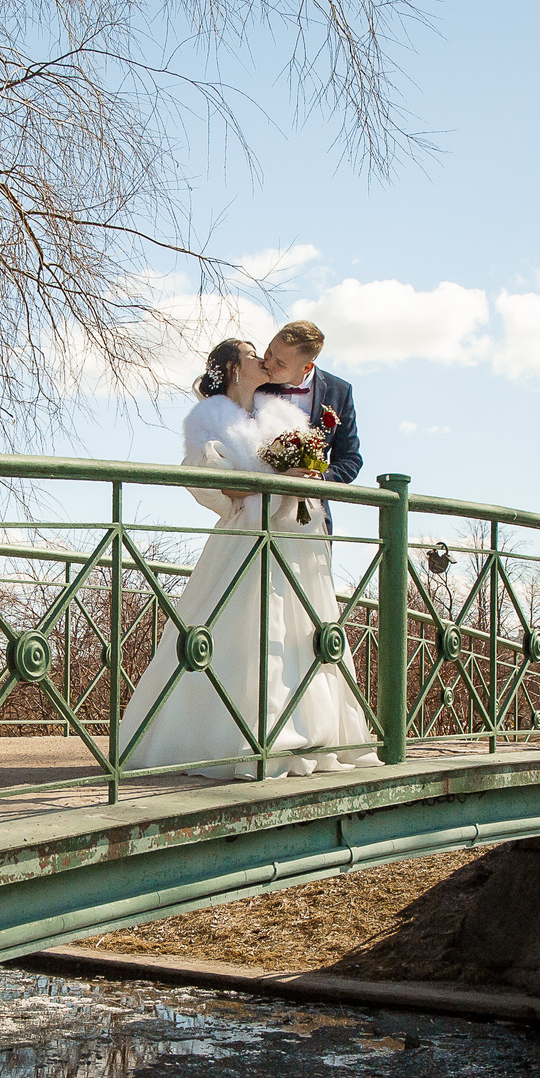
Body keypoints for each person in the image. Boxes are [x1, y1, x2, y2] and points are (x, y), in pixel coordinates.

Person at [115, 338, 379, 778]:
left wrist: (307, 475)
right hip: (246, 534)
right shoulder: (209, 419)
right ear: (235, 368)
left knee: (302, 632)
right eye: (251, 352)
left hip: (297, 536)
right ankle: (234, 736)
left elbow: (330, 460)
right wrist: (273, 481)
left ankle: (307, 730)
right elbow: (215, 486)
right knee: (240, 628)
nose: (262, 358)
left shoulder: (281, 414)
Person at [257, 320, 360, 530]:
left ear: (307, 367)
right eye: (269, 352)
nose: (268, 363)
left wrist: (319, 478)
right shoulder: (256, 380)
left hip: (312, 517)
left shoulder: (339, 391)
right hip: (259, 509)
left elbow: (350, 459)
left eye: (280, 363)